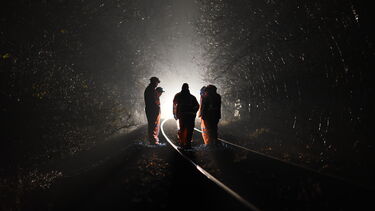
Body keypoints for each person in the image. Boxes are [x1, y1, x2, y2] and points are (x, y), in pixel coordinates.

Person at [173, 83, 199, 149]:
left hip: (182, 116)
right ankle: (188, 143)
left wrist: (175, 114)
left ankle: (182, 143)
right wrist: (194, 112)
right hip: (190, 116)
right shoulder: (192, 97)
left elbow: (174, 105)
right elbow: (197, 106)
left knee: (182, 129)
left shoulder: (178, 95)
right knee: (189, 130)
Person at [144, 77, 161, 145]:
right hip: (152, 109)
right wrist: (157, 108)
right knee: (152, 125)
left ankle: (153, 140)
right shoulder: (151, 90)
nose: (157, 84)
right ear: (154, 82)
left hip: (150, 109)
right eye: (157, 82)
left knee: (152, 124)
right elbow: (154, 101)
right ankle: (153, 140)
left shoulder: (149, 89)